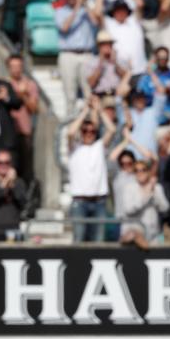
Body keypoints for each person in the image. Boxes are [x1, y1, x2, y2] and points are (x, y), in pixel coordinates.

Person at [66, 96, 116, 242]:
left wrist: (99, 111)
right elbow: (70, 132)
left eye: (92, 131)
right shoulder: (74, 148)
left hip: (99, 201)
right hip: (80, 201)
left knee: (99, 241)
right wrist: (85, 111)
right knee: (79, 239)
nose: (88, 133)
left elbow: (111, 129)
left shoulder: (99, 147)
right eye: (85, 131)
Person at [117, 158, 169, 249]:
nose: (140, 173)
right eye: (136, 170)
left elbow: (165, 208)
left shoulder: (157, 187)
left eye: (143, 170)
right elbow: (129, 210)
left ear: (149, 172)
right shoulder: (129, 188)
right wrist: (146, 195)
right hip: (135, 236)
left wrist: (154, 192)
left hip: (153, 235)